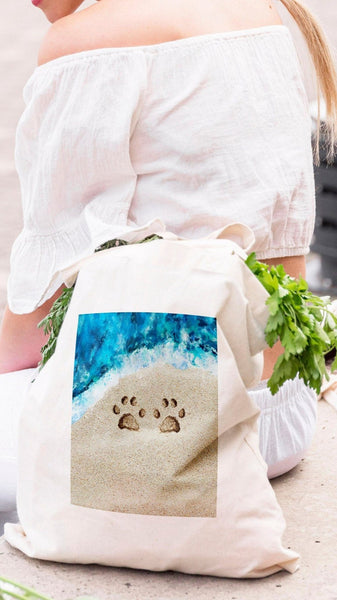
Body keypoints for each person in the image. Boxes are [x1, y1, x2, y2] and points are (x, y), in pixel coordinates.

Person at [0, 0, 336, 532]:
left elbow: (37, 313)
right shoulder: (260, 14)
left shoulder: (86, 42)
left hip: (169, 436)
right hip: (278, 423)